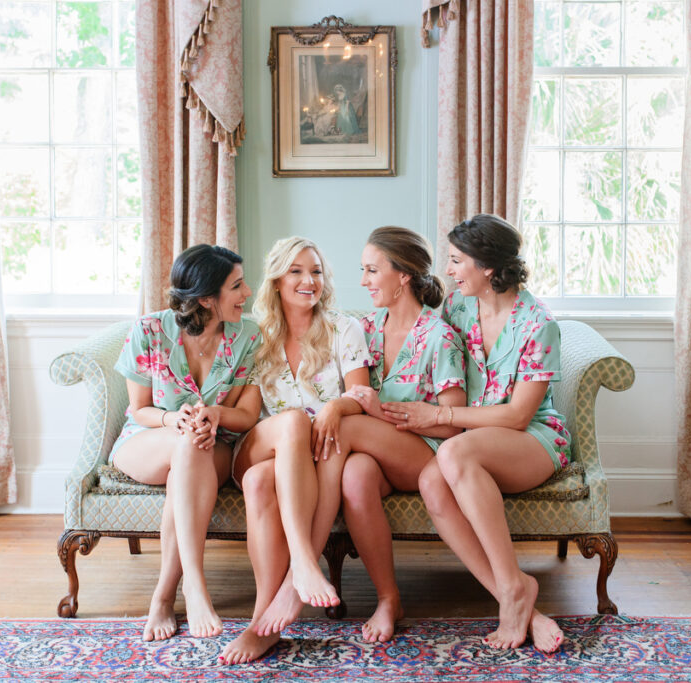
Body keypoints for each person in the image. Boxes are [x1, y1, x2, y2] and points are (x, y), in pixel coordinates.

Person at [403, 214, 569, 653]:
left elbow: (517, 416)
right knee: (430, 480)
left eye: (458, 261)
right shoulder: (458, 308)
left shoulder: (539, 324)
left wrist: (438, 418)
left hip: (532, 439)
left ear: (488, 268)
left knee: (453, 456)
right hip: (471, 438)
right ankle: (515, 596)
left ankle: (513, 589)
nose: (451, 271)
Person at [220, 237, 371, 664]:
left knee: (259, 481)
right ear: (277, 279)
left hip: (306, 458)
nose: (309, 280)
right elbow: (239, 407)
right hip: (260, 442)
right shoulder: (253, 334)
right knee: (290, 423)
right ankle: (304, 562)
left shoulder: (345, 329)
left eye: (317, 271)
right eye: (297, 271)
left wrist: (337, 406)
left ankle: (261, 623)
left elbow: (361, 394)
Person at [108, 244, 261, 642]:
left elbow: (245, 416)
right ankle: (193, 584)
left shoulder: (249, 335)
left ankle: (164, 597)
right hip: (149, 439)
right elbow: (139, 410)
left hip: (215, 444)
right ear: (207, 299)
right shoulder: (149, 331)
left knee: (191, 449)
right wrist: (173, 419)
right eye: (238, 286)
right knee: (185, 443)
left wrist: (214, 415)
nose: (248, 294)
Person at [338, 226, 468, 643]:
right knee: (355, 475)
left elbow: (455, 423)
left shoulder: (439, 337)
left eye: (372, 270)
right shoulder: (363, 328)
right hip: (373, 455)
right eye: (364, 270)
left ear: (404, 276)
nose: (363, 281)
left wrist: (379, 411)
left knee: (346, 424)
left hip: (425, 456)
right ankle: (388, 597)